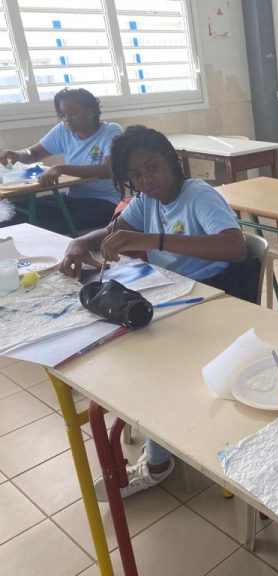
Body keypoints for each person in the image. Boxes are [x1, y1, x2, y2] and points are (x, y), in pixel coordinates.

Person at [60, 125, 248, 499]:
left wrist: (152, 239)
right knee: (122, 350)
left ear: (172, 162)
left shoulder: (198, 195)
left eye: (153, 167)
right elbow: (113, 231)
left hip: (215, 299)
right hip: (173, 296)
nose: (146, 180)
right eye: (136, 174)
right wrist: (79, 242)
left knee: (152, 367)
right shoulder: (147, 200)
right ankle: (157, 435)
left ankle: (159, 461)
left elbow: (235, 247)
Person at [0, 88, 122, 234]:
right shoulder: (63, 130)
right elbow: (33, 153)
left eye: (73, 113)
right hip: (73, 197)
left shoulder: (111, 131)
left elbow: (108, 170)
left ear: (90, 112)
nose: (67, 120)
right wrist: (17, 155)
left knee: (49, 225)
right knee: (12, 214)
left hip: (105, 201)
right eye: (62, 115)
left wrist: (62, 168)